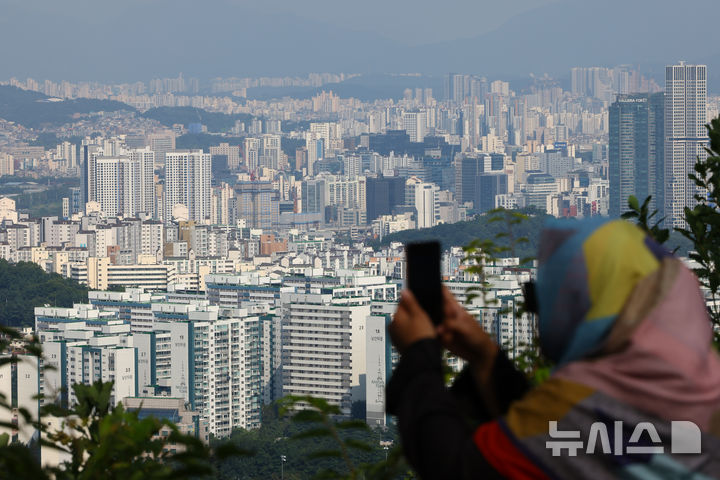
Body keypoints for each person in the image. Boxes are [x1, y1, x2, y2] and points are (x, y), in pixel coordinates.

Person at [386, 219, 720, 479]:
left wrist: (420, 353)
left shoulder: (585, 403)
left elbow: (456, 468)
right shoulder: (704, 386)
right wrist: (486, 357)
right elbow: (547, 444)